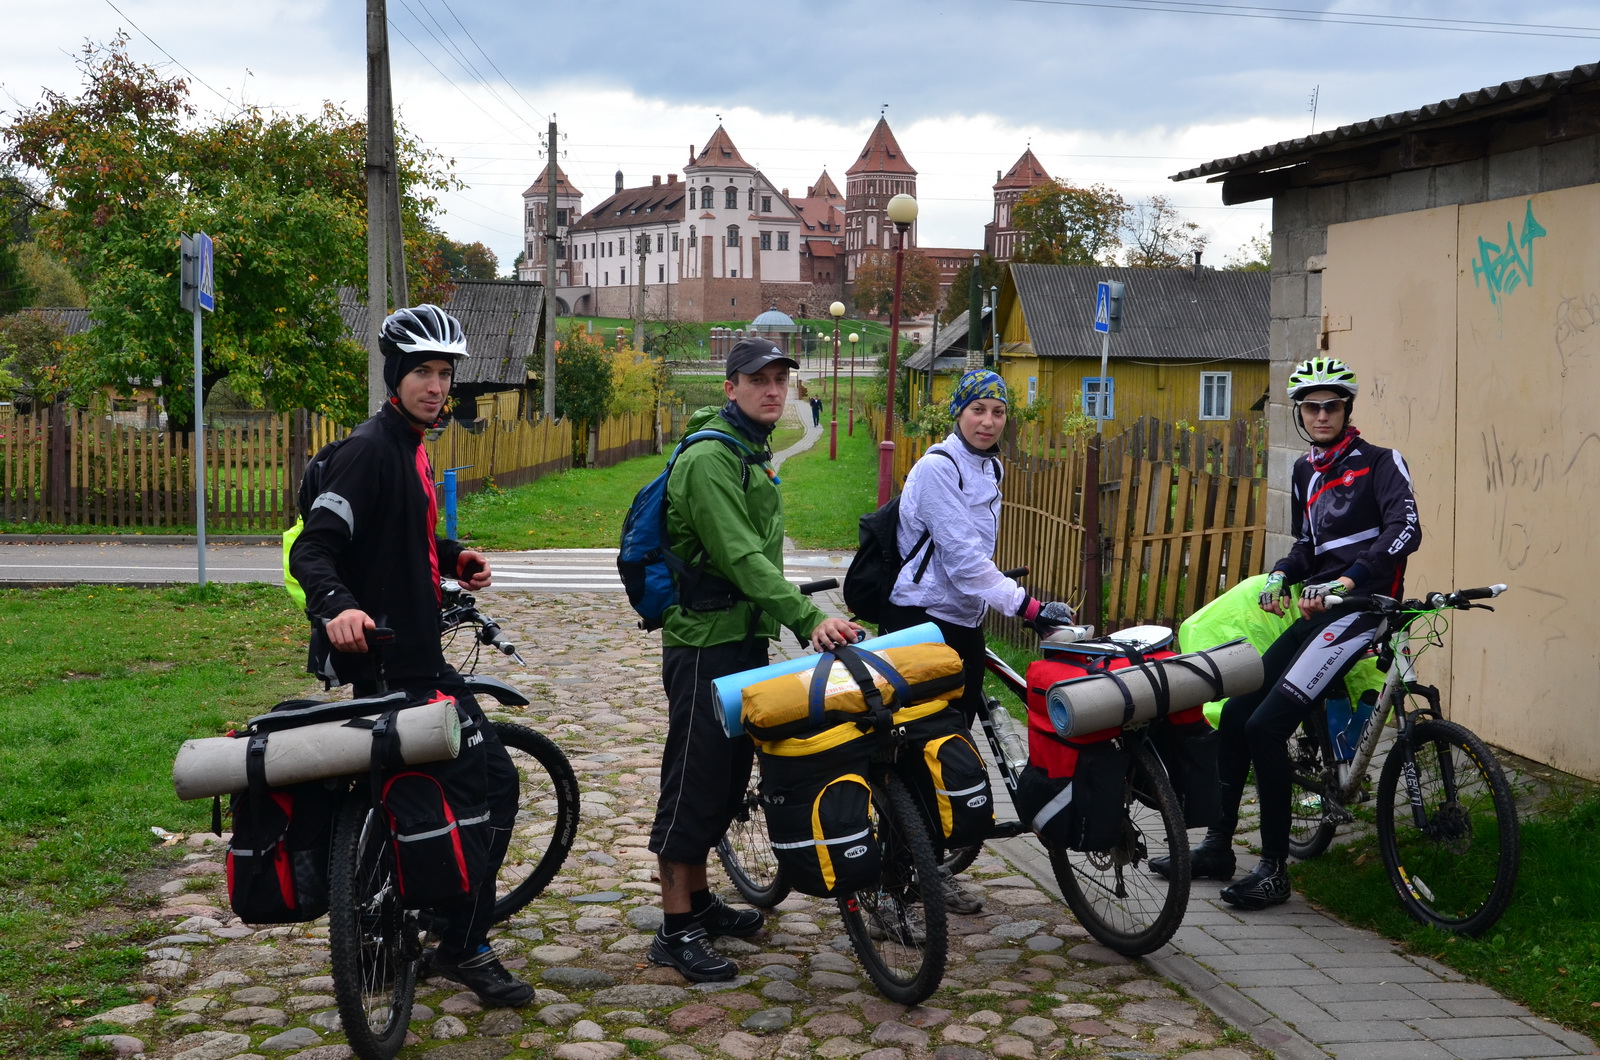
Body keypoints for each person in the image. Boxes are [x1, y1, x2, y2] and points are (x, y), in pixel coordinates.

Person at [288, 305, 531, 1007]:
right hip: (399, 665)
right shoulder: (370, 450)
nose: (435, 384)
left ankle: (412, 910)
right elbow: (315, 546)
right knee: (490, 784)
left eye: (443, 373)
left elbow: (394, 538)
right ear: (395, 377)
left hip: (413, 654)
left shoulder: (411, 449)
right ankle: (463, 943)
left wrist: (455, 556)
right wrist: (336, 606)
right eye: (422, 371)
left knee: (431, 790)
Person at [1151, 356, 1421, 910]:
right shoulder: (1306, 471)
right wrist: (1283, 572)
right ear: (1300, 413)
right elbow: (1307, 547)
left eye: (1332, 406)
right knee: (1237, 713)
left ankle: (1274, 870)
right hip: (1315, 611)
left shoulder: (1380, 463)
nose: (1322, 414)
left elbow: (1405, 530)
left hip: (1362, 610)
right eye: (1311, 406)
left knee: (1267, 728)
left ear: (1347, 410)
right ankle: (1220, 847)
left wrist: (1350, 579)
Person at [648, 338, 862, 983]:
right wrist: (804, 617)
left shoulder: (750, 452)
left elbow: (756, 562)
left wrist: (785, 617)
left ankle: (703, 902)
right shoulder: (712, 460)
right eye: (758, 380)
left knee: (726, 775)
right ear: (730, 387)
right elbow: (742, 558)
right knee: (692, 779)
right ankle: (674, 927)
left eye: (781, 380)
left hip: (740, 638)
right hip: (703, 644)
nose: (773, 391)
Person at [878, 368, 1074, 914]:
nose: (988, 422)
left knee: (949, 748)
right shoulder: (938, 469)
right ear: (958, 414)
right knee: (917, 753)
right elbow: (964, 561)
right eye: (977, 410)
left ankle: (930, 866)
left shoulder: (991, 466)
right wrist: (1027, 606)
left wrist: (998, 593)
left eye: (998, 411)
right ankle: (892, 880)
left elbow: (972, 558)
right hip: (916, 624)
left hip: (961, 623)